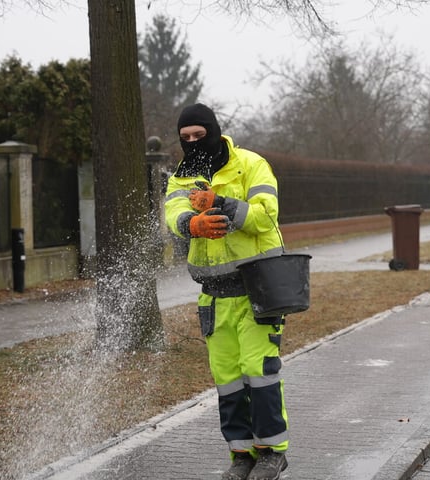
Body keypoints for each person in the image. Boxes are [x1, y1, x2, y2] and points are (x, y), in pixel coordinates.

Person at [164, 103, 289, 480]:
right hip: (214, 294)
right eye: (185, 139)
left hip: (258, 289)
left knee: (259, 371)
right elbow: (170, 216)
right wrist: (192, 224)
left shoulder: (251, 165)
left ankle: (272, 452)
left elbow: (266, 215)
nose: (192, 144)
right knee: (227, 375)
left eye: (199, 136)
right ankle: (241, 455)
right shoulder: (181, 178)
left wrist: (220, 204)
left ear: (214, 132)